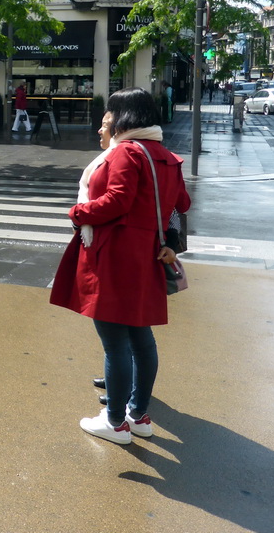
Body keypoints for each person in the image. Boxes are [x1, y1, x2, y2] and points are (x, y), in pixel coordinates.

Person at [50, 87, 191, 445]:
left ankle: (114, 422)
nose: (107, 119)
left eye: (110, 112)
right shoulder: (166, 155)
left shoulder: (127, 152)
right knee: (141, 339)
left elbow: (117, 200)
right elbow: (182, 202)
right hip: (146, 255)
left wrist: (77, 213)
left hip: (115, 256)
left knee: (115, 343)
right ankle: (138, 415)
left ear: (124, 115)